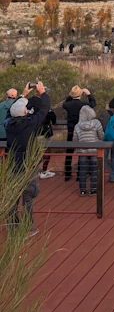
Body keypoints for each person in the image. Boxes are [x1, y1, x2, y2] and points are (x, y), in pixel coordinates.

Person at [5, 82, 50, 238]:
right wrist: (42, 92)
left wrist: (23, 94)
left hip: (12, 164)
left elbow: (10, 112)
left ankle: (12, 226)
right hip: (27, 164)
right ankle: (26, 227)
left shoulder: (8, 124)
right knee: (29, 195)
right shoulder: (29, 124)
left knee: (13, 196)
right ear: (25, 112)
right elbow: (44, 109)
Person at [62, 86, 96, 181]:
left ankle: (67, 173)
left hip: (71, 130)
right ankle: (80, 174)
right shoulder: (83, 105)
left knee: (69, 152)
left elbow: (65, 103)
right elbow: (93, 104)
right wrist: (89, 94)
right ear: (80, 95)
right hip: (81, 131)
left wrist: (71, 94)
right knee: (81, 152)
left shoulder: (67, 105)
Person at [73, 106, 104, 195]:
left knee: (82, 170)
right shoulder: (97, 123)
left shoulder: (77, 126)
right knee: (95, 170)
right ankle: (93, 189)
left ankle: (83, 190)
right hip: (94, 150)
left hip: (82, 150)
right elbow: (101, 136)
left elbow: (75, 140)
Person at [99, 97, 114, 182]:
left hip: (106, 138)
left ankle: (101, 174)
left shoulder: (104, 113)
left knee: (103, 158)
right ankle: (113, 176)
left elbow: (100, 125)